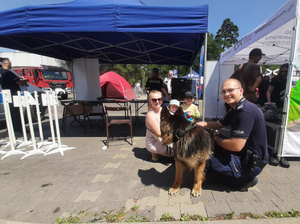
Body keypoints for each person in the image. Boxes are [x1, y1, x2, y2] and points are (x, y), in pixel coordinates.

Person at [197, 79, 269, 191]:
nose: (226, 94)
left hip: (249, 164)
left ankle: (240, 181)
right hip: (245, 156)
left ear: (241, 91)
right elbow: (217, 124)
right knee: (216, 149)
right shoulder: (236, 108)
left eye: (230, 90)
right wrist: (202, 124)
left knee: (203, 161)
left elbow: (236, 145)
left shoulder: (245, 112)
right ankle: (236, 175)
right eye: (223, 92)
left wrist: (214, 137)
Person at [0, 58, 29, 132]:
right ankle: (18, 128)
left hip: (6, 94)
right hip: (13, 94)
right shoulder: (8, 73)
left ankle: (10, 128)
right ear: (9, 65)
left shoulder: (1, 72)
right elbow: (18, 82)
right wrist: (24, 82)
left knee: (9, 113)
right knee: (16, 112)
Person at [145, 90, 172, 161]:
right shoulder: (150, 115)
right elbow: (159, 134)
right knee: (181, 151)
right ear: (149, 101)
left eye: (159, 99)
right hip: (154, 142)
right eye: (154, 100)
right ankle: (154, 153)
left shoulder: (164, 109)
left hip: (164, 139)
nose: (157, 101)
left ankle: (155, 154)